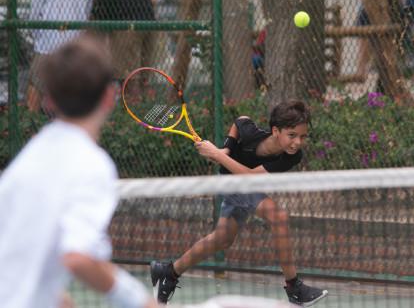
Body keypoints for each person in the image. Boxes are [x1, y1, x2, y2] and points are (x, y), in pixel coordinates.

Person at [0, 36, 157, 308]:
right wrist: (141, 302)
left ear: (48, 100)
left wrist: (55, 299)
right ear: (109, 97)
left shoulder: (31, 157)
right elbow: (78, 257)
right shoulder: (91, 164)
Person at [150, 100, 328, 306]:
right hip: (231, 183)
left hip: (246, 183)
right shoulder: (252, 133)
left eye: (302, 136)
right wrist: (226, 148)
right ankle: (294, 287)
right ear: (275, 131)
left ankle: (168, 272)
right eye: (292, 135)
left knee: (222, 239)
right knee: (278, 218)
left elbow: (251, 177)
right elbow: (240, 121)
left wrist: (217, 154)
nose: (297, 142)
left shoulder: (293, 156)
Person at [27, 0, 94, 113]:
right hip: (49, 42)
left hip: (67, 42)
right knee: (37, 83)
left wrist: (39, 36)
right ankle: (31, 120)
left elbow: (86, 10)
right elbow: (34, 13)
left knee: (69, 84)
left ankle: (39, 119)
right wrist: (40, 37)